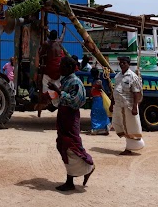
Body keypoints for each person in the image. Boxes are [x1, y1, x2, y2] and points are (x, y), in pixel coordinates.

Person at [47, 56, 95, 191]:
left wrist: (58, 91)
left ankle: (83, 169)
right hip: (63, 117)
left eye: (61, 65)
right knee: (63, 146)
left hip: (70, 118)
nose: (59, 68)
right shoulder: (66, 80)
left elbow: (76, 101)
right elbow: (63, 98)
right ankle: (78, 174)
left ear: (68, 68)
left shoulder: (75, 82)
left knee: (72, 146)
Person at [110, 56, 145, 155]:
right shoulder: (117, 76)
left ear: (128, 64)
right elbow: (115, 91)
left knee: (130, 127)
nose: (121, 64)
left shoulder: (133, 77)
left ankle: (129, 148)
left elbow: (136, 93)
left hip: (128, 106)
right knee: (118, 124)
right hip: (118, 105)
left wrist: (135, 107)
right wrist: (111, 104)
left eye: (124, 63)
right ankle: (128, 147)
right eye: (120, 63)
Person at [37, 22, 66, 112]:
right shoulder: (59, 42)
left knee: (44, 82)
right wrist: (64, 27)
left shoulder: (46, 43)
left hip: (50, 68)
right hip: (58, 69)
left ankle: (46, 97)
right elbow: (62, 35)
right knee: (57, 84)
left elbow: (40, 53)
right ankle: (55, 102)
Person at [89, 67, 110, 135]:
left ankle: (96, 128)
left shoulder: (94, 81)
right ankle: (103, 128)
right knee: (101, 113)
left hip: (96, 99)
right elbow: (103, 89)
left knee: (95, 114)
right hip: (99, 99)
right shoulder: (99, 81)